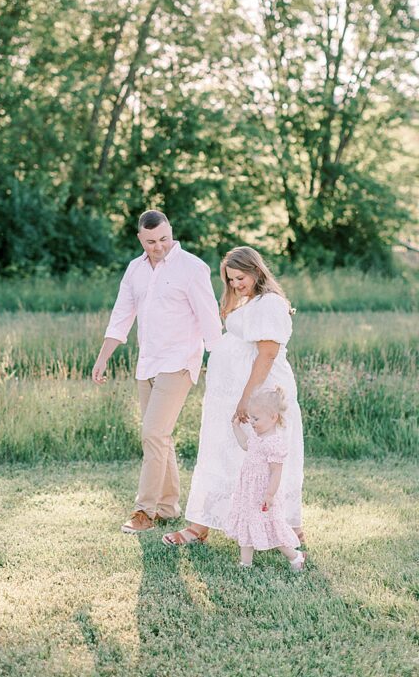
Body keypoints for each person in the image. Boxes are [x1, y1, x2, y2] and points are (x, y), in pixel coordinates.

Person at [163, 247, 305, 547]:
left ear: (256, 270)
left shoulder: (270, 303)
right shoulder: (250, 301)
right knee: (222, 453)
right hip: (233, 394)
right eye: (230, 280)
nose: (236, 284)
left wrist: (246, 399)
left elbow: (266, 355)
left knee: (266, 457)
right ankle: (200, 524)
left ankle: (289, 526)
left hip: (259, 396)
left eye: (240, 277)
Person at [92, 210, 223, 534]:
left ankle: (144, 511)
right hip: (147, 364)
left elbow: (209, 320)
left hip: (179, 363)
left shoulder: (192, 268)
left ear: (171, 232)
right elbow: (121, 316)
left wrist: (219, 362)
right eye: (151, 241)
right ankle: (169, 506)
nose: (159, 246)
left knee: (152, 433)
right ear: (140, 239)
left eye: (164, 238)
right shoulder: (135, 270)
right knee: (159, 436)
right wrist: (102, 358)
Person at [223, 386, 305, 570]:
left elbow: (276, 472)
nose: (252, 422)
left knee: (272, 529)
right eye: (251, 417)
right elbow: (245, 444)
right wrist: (236, 426)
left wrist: (269, 495)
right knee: (247, 522)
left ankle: (295, 557)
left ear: (273, 417)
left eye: (256, 418)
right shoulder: (256, 436)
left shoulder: (274, 443)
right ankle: (245, 563)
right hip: (248, 491)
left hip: (263, 493)